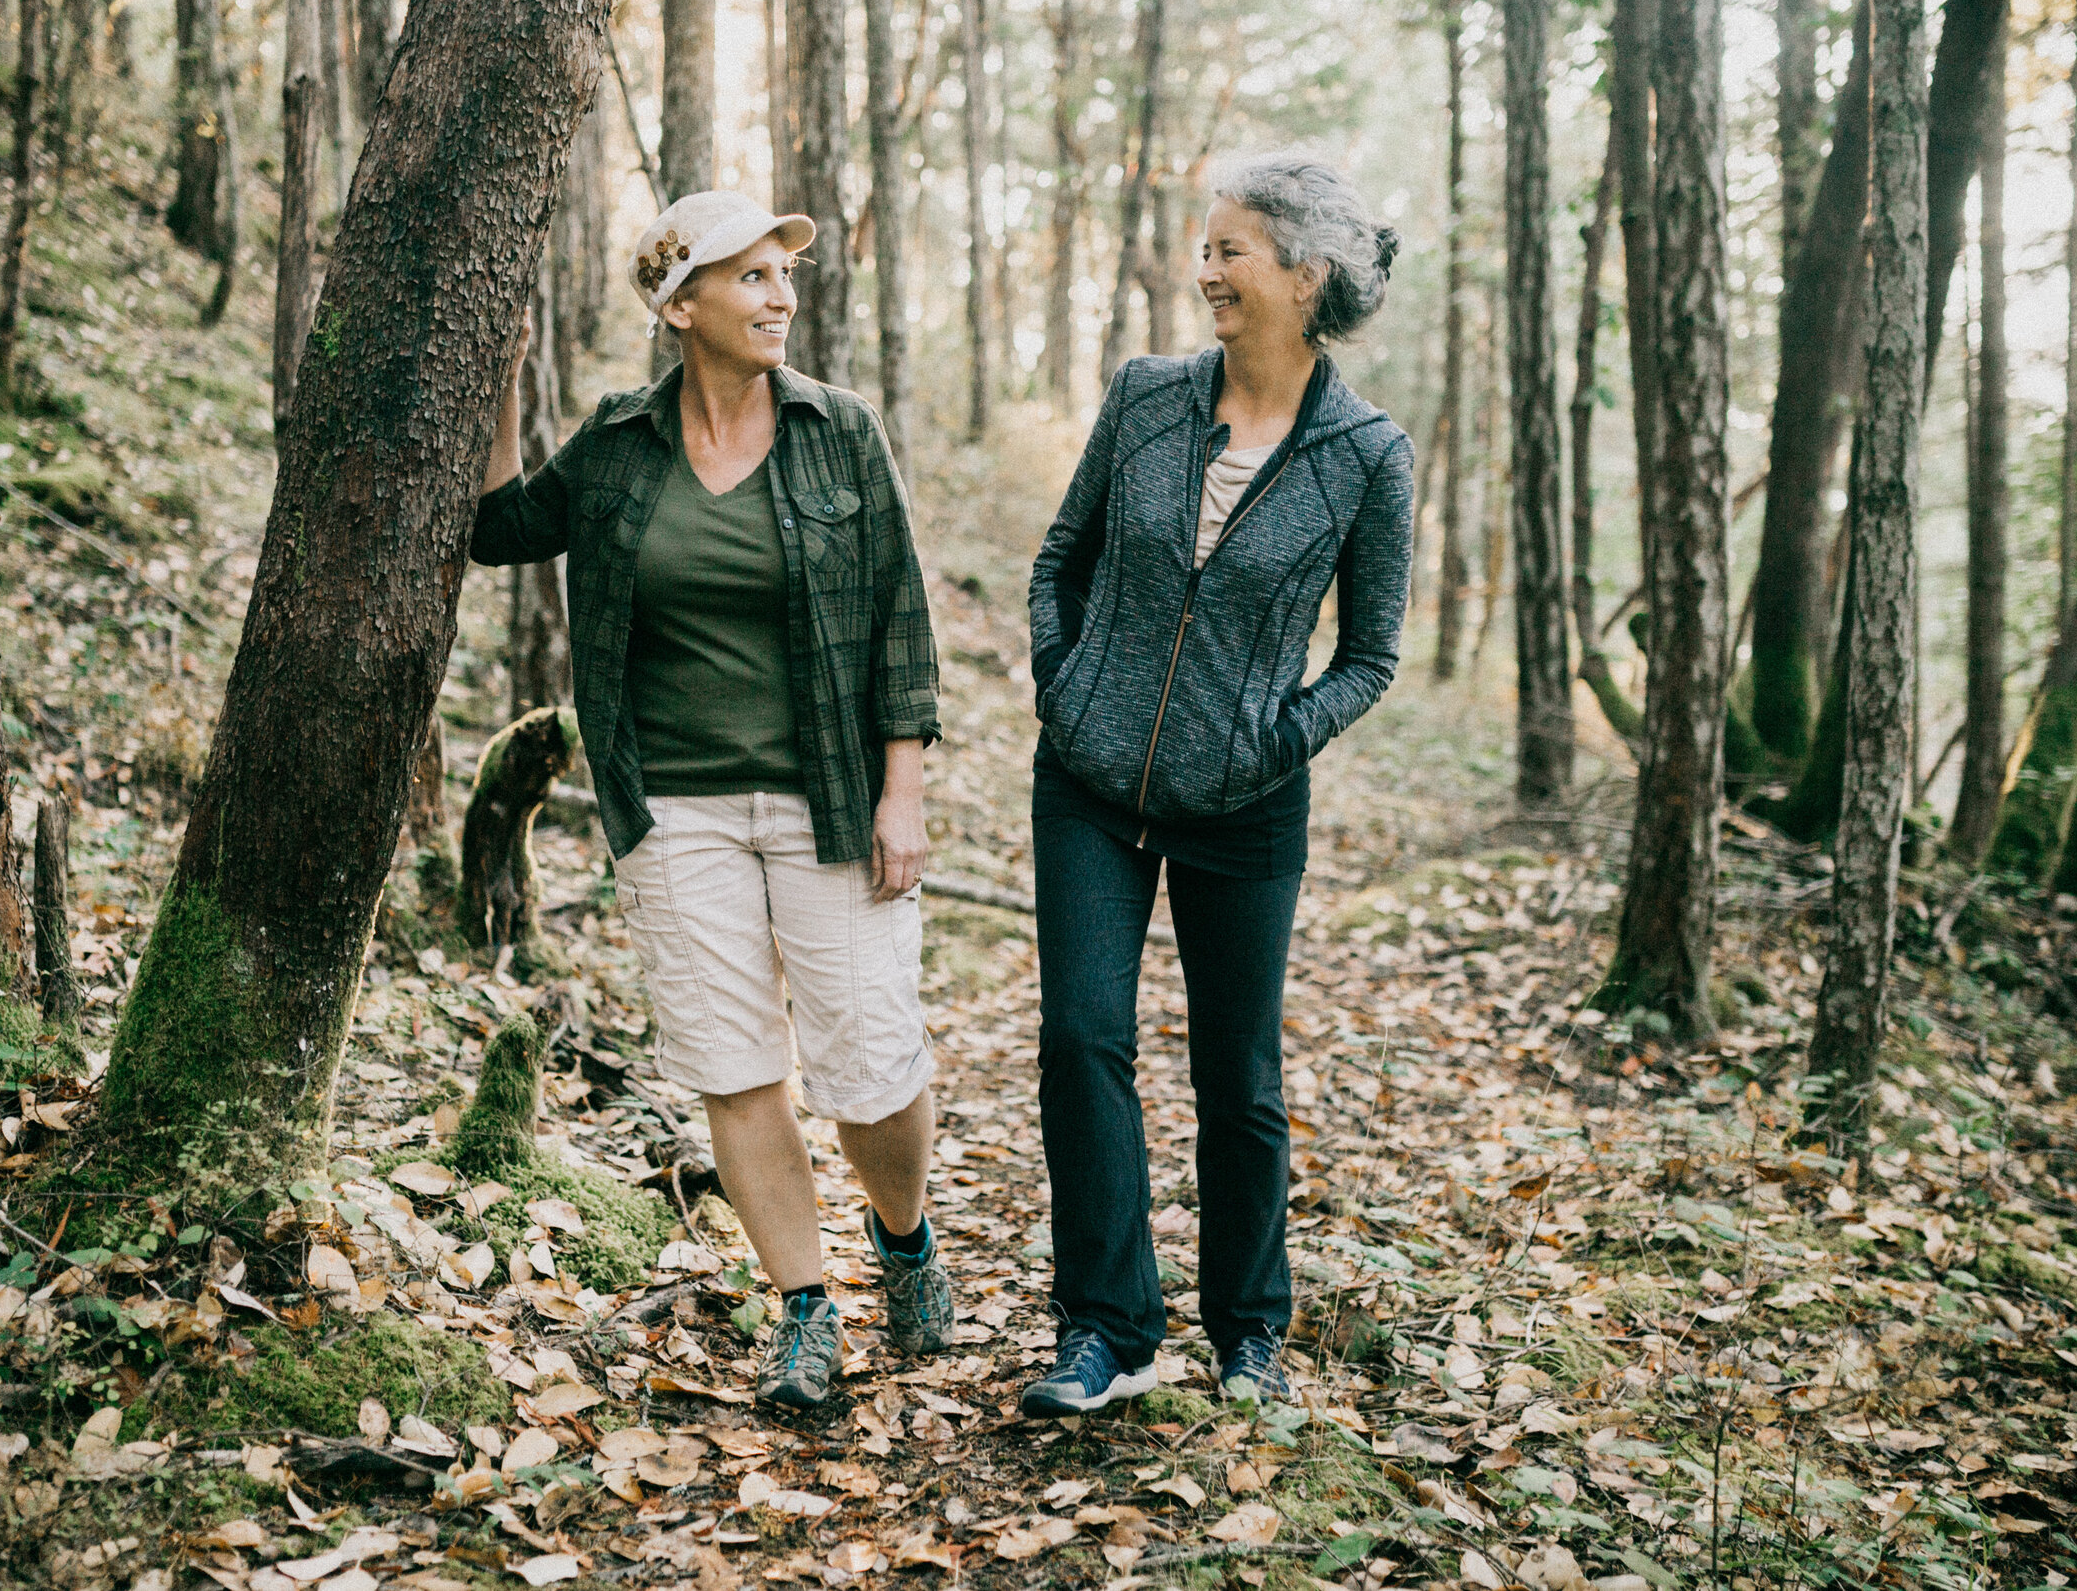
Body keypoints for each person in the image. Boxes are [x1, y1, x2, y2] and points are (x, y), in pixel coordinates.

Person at [470, 191, 950, 1409]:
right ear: (680, 305)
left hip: (832, 799)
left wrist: (905, 789)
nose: (779, 295)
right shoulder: (621, 442)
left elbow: (901, 615)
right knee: (736, 1065)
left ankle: (903, 1236)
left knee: (869, 1063)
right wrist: (496, 384)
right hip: (673, 806)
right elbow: (501, 526)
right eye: (748, 276)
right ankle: (803, 1309)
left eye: (783, 276)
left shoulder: (841, 432)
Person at [1019, 150, 1412, 1416]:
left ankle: (1248, 1330)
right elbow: (1058, 561)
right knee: (1082, 1039)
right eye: (1204, 247)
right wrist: (1064, 684)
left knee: (1236, 1079)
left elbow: (1370, 656)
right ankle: (1106, 1327)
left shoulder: (1364, 454)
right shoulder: (1143, 397)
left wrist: (1264, 740)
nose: (1205, 271)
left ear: (1307, 274)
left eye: (1230, 249)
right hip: (1088, 781)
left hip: (1246, 808)